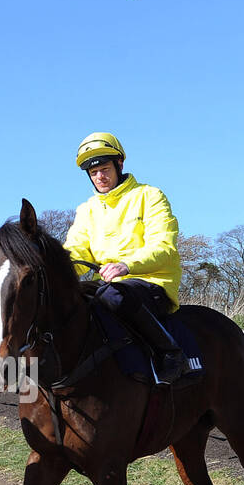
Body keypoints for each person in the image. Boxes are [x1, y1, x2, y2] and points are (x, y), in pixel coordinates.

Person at [63, 132, 187, 383]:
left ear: (120, 164)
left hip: (152, 284)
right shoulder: (86, 210)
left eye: (105, 169)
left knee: (112, 295)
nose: (100, 177)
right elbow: (76, 250)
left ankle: (170, 352)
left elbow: (164, 247)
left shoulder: (150, 196)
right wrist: (54, 268)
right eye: (93, 173)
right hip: (109, 287)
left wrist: (126, 265)